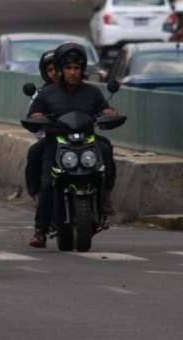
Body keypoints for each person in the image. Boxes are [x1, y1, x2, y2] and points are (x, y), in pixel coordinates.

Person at [27, 43, 117, 248]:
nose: (73, 73)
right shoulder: (47, 93)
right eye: (69, 68)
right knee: (48, 182)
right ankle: (40, 230)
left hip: (87, 141)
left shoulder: (93, 92)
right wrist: (36, 116)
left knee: (106, 148)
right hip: (57, 142)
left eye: (77, 68)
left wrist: (109, 113)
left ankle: (105, 198)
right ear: (60, 70)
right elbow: (33, 113)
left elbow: (104, 110)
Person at [24, 50, 57, 204]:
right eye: (50, 70)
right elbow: (32, 118)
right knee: (34, 152)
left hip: (82, 138)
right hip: (53, 139)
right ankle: (37, 194)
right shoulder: (41, 95)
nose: (55, 74)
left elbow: (99, 108)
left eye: (58, 68)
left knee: (104, 147)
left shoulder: (85, 90)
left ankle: (104, 197)